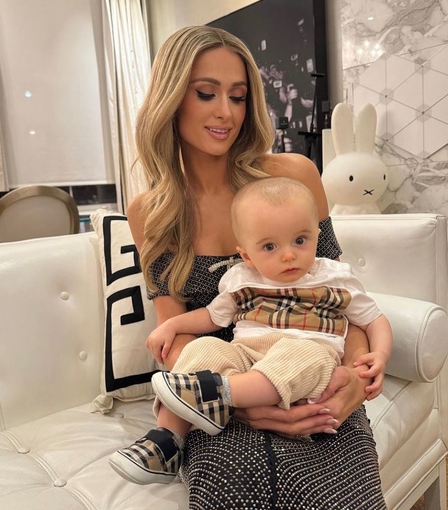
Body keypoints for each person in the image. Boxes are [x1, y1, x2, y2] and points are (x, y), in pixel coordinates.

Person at [110, 25, 387, 509]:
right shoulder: (150, 211)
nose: (226, 112)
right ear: (171, 100)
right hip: (217, 394)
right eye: (206, 93)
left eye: (238, 96)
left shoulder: (292, 176)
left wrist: (349, 382)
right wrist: (240, 404)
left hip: (312, 375)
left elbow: (337, 294)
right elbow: (173, 334)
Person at [110, 176, 392, 485]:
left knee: (301, 354)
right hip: (247, 356)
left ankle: (221, 394)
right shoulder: (242, 280)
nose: (288, 255)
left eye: (300, 240)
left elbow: (373, 319)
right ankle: (166, 442)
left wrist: (378, 355)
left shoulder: (334, 278)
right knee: (204, 348)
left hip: (309, 360)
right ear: (246, 255)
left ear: (317, 235)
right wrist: (172, 325)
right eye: (269, 246)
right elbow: (212, 318)